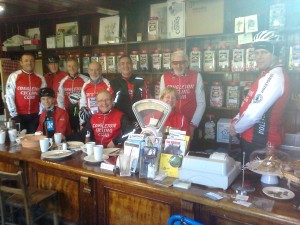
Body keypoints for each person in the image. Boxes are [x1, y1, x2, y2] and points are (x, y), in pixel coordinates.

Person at [229, 30, 290, 162]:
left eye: (264, 52)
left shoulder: (274, 77)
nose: (259, 57)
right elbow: (250, 102)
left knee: (255, 180)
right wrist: (236, 119)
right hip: (253, 139)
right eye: (256, 53)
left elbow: (253, 114)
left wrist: (236, 128)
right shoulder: (266, 74)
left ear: (275, 53)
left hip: (261, 142)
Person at [160, 50, 206, 138]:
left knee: (190, 149)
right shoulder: (164, 77)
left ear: (187, 63)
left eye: (182, 62)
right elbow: (162, 103)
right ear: (171, 64)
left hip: (191, 123)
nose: (178, 66)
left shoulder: (196, 76)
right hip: (170, 125)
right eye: (175, 63)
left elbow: (201, 103)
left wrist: (192, 126)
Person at [67, 90, 134, 148]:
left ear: (112, 100)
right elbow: (83, 134)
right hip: (96, 151)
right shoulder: (93, 117)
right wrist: (65, 138)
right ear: (97, 103)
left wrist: (116, 141)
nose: (104, 103)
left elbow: (131, 133)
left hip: (114, 153)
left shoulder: (121, 116)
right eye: (101, 101)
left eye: (107, 100)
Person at [5, 53, 47, 133]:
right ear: (21, 63)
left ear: (34, 62)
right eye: (26, 61)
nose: (29, 63)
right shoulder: (14, 76)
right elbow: (9, 96)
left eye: (31, 61)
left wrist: (41, 113)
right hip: (19, 115)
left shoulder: (40, 78)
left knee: (35, 139)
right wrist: (14, 114)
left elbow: (43, 97)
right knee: (20, 140)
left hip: (35, 115)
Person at [110, 55, 149, 127]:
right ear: (118, 66)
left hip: (138, 118)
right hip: (121, 119)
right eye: (122, 63)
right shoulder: (113, 83)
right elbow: (110, 102)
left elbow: (146, 100)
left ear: (132, 65)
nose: (126, 65)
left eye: (128, 63)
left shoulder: (141, 81)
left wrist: (146, 117)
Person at [57, 57, 89, 132]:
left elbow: (89, 95)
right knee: (71, 131)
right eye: (69, 66)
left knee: (83, 131)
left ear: (78, 66)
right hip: (69, 111)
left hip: (82, 110)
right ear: (67, 68)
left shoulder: (85, 79)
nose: (72, 68)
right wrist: (61, 112)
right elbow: (60, 98)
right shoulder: (63, 81)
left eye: (74, 65)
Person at [79, 61, 113, 126]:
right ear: (88, 71)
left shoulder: (107, 84)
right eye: (91, 70)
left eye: (97, 70)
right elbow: (82, 105)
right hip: (89, 119)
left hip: (104, 119)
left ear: (101, 70)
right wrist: (81, 122)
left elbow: (112, 103)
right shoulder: (85, 85)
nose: (94, 73)